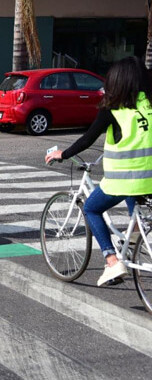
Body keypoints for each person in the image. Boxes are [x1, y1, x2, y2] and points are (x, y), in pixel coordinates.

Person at [45, 56, 152, 286]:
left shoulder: (113, 109)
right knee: (135, 195)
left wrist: (62, 154)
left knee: (92, 208)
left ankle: (112, 261)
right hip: (149, 180)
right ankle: (134, 236)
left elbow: (88, 138)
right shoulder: (149, 105)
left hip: (125, 179)